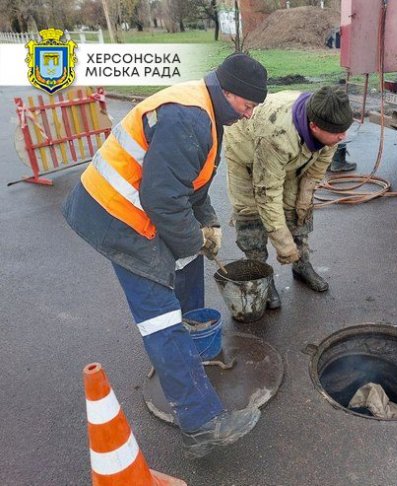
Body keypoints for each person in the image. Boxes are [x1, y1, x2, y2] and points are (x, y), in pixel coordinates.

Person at [61, 53, 268, 459]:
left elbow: (193, 183)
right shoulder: (190, 119)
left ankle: (194, 344)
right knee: (159, 314)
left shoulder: (209, 110)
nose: (248, 115)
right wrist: (194, 240)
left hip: (141, 206)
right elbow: (163, 199)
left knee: (188, 264)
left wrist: (207, 225)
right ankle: (201, 423)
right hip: (116, 214)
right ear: (229, 92)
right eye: (247, 106)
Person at [224, 86, 353, 308]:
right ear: (314, 126)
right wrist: (283, 243)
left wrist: (304, 199)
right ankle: (261, 277)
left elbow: (317, 167)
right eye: (339, 133)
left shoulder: (331, 121)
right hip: (245, 149)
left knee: (297, 208)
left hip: (292, 153)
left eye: (344, 131)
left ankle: (302, 264)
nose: (344, 136)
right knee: (252, 216)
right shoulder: (276, 135)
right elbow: (267, 193)